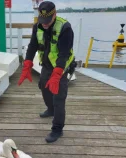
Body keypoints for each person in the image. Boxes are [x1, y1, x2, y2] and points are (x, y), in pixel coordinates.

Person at [18, 1, 75, 143]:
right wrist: (27, 65)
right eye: (42, 20)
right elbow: (32, 46)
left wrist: (57, 76)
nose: (44, 24)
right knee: (44, 87)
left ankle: (57, 129)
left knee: (59, 98)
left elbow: (63, 54)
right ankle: (50, 109)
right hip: (47, 65)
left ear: (55, 14)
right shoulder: (38, 26)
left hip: (61, 67)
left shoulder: (65, 28)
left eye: (47, 21)